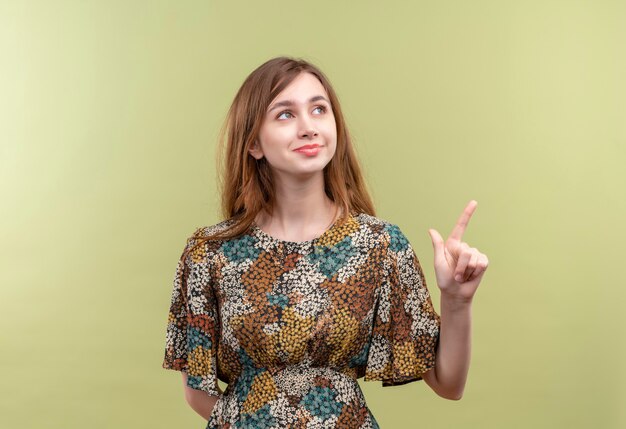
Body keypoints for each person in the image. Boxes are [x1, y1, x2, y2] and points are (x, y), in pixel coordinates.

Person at [162, 56, 489, 428]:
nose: (308, 128)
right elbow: (196, 391)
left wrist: (457, 301)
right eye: (285, 114)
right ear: (253, 143)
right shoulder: (209, 253)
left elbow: (448, 384)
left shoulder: (379, 245)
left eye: (319, 109)